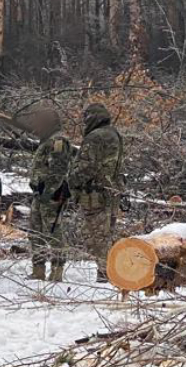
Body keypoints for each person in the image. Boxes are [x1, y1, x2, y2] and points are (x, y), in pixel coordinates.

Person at [69, 102, 124, 281]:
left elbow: (87, 166)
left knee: (96, 236)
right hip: (111, 191)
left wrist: (72, 180)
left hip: (95, 194)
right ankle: (112, 271)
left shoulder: (95, 137)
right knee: (107, 233)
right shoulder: (114, 134)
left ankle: (105, 274)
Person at [26, 106, 74, 282]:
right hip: (40, 194)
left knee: (54, 232)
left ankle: (57, 270)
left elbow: (59, 170)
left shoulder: (58, 140)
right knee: (35, 232)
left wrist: (49, 191)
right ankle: (38, 270)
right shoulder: (47, 140)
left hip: (52, 195)